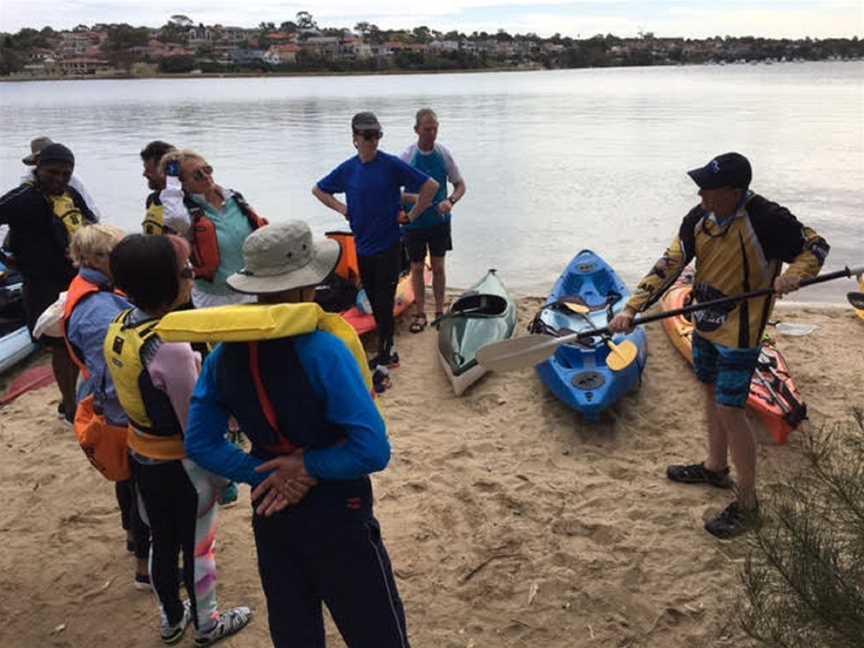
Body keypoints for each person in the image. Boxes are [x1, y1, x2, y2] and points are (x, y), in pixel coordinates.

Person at [179, 221, 410, 647]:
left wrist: (263, 474)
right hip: (340, 505)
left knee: (294, 624)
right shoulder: (325, 349)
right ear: (312, 281)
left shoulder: (224, 355)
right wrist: (305, 465)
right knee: (375, 627)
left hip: (271, 504)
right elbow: (373, 451)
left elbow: (201, 443)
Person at [609, 152, 829, 539]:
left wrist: (794, 274)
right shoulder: (699, 219)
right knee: (710, 393)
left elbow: (816, 246)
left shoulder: (767, 219)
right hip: (705, 325)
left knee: (731, 410)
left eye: (709, 190)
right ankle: (714, 468)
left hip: (742, 335)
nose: (701, 196)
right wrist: (631, 308)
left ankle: (748, 503)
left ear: (734, 191)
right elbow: (669, 264)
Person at [104, 234, 252, 645]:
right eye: (187, 271)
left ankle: (171, 619)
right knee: (199, 546)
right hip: (182, 465)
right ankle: (207, 623)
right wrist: (224, 475)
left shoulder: (119, 325)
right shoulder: (172, 347)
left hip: (142, 457)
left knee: (162, 543)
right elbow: (197, 427)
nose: (192, 277)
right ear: (170, 283)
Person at [313, 111, 439, 368]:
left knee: (383, 302)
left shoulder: (390, 164)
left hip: (389, 247)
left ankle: (388, 353)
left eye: (377, 135)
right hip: (363, 247)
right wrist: (342, 208)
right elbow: (319, 190)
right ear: (355, 138)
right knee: (373, 298)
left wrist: (412, 215)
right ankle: (386, 350)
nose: (373, 141)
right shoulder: (348, 169)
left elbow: (431, 186)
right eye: (368, 136)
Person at [63, 224, 150, 589]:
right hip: (119, 408)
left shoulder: (93, 289)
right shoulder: (98, 307)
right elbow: (112, 373)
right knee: (139, 481)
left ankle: (132, 536)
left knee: (127, 479)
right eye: (118, 254)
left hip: (106, 400)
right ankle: (145, 567)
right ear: (97, 259)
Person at [0, 142, 98, 422]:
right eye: (52, 172)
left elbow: (90, 223)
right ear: (38, 168)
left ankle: (77, 400)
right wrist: (6, 259)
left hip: (75, 280)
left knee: (78, 344)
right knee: (60, 347)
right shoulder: (21, 199)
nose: (58, 179)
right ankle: (69, 406)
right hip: (40, 285)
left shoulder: (69, 194)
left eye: (65, 174)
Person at [158, 149, 266, 309]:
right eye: (197, 175)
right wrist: (172, 181)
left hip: (252, 288)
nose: (206, 176)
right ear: (183, 184)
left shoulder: (235, 199)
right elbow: (174, 219)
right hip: (214, 297)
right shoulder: (188, 213)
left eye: (207, 169)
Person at [400, 108, 466, 332]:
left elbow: (460, 185)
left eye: (435, 128)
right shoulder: (407, 157)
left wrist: (451, 201)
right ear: (417, 130)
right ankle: (420, 314)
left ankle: (439, 311)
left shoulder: (443, 154)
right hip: (415, 223)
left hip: (439, 221)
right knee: (417, 268)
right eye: (427, 129)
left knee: (438, 267)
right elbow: (393, 191)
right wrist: (415, 198)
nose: (431, 133)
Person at [21, 136, 102, 221]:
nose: (59, 179)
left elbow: (93, 213)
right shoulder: (27, 181)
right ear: (36, 161)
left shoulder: (72, 180)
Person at [140, 140, 177, 235]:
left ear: (165, 171)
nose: (144, 174)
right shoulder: (152, 200)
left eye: (148, 170)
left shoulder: (189, 203)